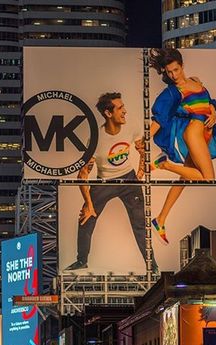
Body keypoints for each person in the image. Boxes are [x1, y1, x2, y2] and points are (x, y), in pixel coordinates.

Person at [148, 48, 216, 245]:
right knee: (208, 179)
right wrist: (146, 138)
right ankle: (164, 165)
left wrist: (213, 114)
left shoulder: (196, 82)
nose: (173, 75)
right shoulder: (173, 92)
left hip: (204, 134)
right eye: (169, 72)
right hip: (194, 133)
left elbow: (208, 103)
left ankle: (160, 219)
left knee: (185, 178)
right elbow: (159, 119)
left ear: (182, 66)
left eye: (176, 70)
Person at [65, 92, 154, 272]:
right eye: (120, 108)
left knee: (140, 223)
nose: (125, 111)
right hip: (105, 181)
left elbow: (143, 151)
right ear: (108, 113)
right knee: (85, 218)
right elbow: (82, 175)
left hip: (128, 179)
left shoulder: (132, 126)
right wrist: (89, 205)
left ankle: (152, 264)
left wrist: (139, 172)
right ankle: (82, 260)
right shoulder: (95, 140)